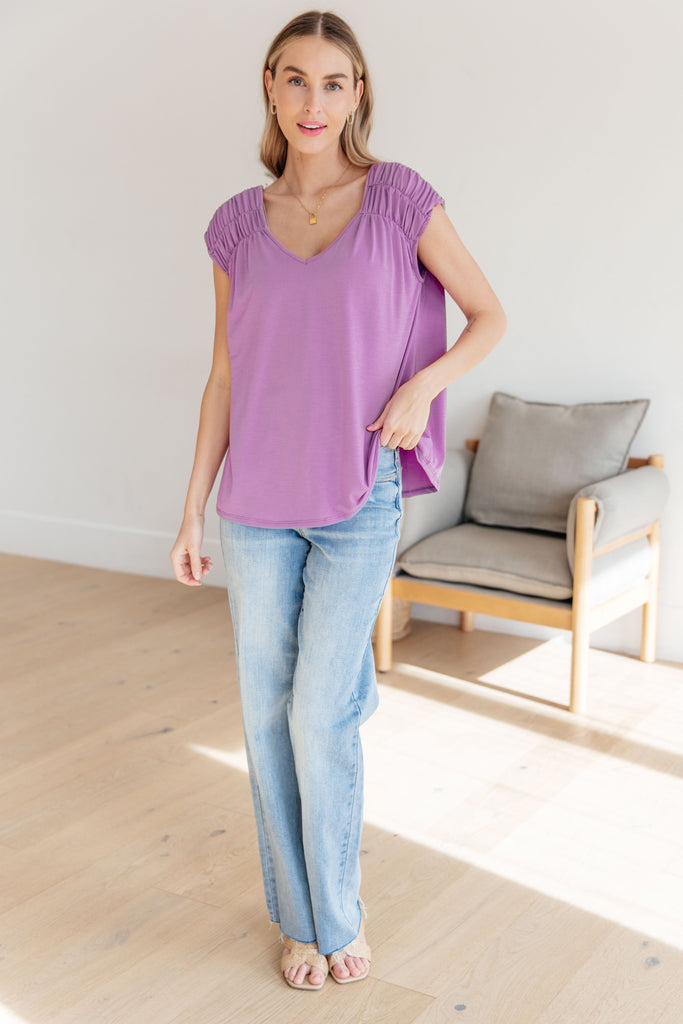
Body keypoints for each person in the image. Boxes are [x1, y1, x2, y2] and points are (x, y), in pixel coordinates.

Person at [170, 9, 506, 992]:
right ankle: (298, 920)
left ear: (357, 94)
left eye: (332, 82)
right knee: (265, 713)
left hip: (357, 495)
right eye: (294, 79)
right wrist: (190, 509)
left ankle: (338, 914)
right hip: (254, 504)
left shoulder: (399, 199)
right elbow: (224, 375)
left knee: (320, 713)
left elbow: (488, 315)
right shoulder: (236, 224)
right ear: (269, 89)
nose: (312, 101)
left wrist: (421, 387)